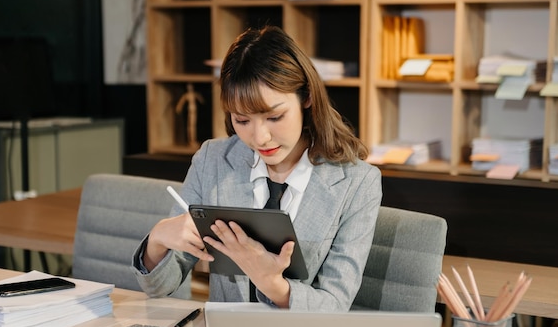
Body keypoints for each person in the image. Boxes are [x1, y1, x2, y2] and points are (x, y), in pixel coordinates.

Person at [132, 25, 382, 311]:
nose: (260, 138)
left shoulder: (357, 182)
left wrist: (272, 283)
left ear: (307, 98)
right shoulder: (212, 161)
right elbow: (159, 286)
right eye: (242, 120)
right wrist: (158, 239)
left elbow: (334, 306)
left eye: (274, 117)